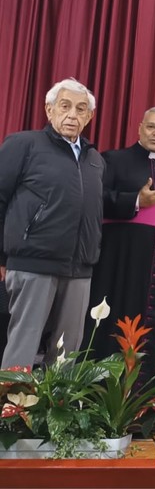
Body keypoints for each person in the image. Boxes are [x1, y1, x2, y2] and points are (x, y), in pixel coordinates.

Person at [0, 78, 104, 369]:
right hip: (33, 263)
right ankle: (12, 400)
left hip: (79, 268)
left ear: (89, 116)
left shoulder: (95, 159)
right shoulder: (24, 144)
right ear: (49, 109)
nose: (72, 115)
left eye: (80, 109)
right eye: (65, 106)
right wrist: (2, 256)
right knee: (23, 348)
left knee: (66, 354)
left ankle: (60, 401)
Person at [91, 107, 155, 376]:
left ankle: (145, 391)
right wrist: (137, 201)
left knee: (150, 327)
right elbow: (95, 200)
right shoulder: (113, 160)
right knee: (113, 322)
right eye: (151, 127)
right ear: (140, 128)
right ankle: (104, 388)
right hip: (118, 259)